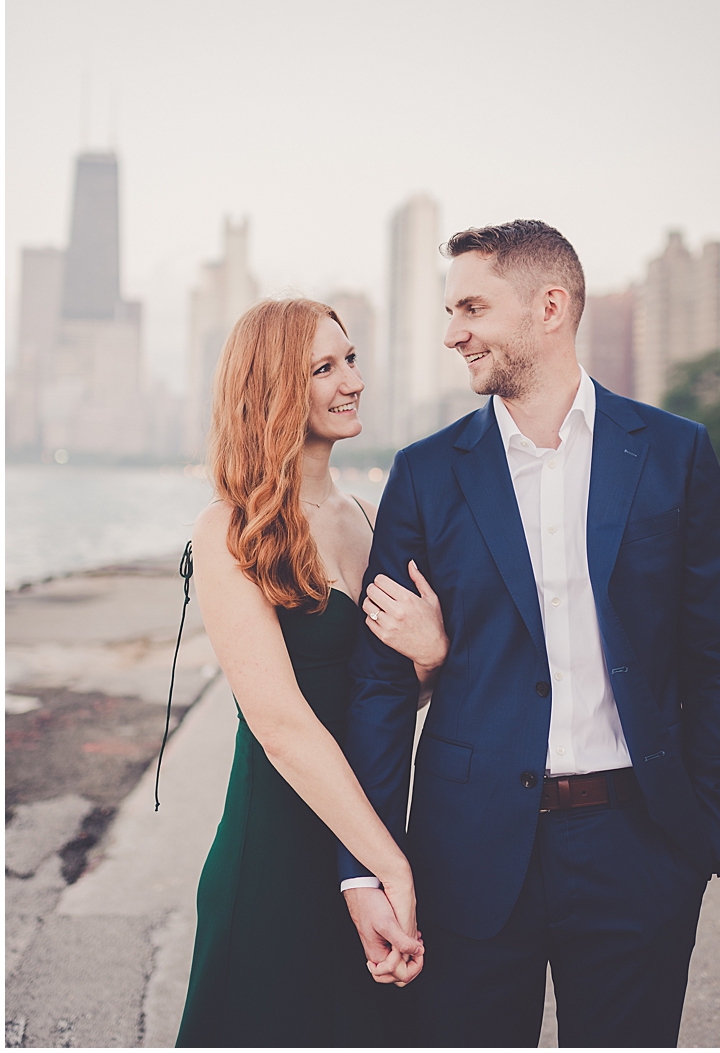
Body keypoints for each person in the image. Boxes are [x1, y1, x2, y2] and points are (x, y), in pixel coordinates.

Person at [338, 219, 720, 1047]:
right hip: (467, 853)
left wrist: (705, 829)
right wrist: (368, 867)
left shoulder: (674, 453)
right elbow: (381, 686)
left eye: (472, 308)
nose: (453, 332)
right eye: (450, 310)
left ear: (550, 306)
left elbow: (717, 655)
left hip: (639, 848)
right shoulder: (425, 471)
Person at [178, 298, 449, 1046]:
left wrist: (430, 657)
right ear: (273, 389)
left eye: (351, 358)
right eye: (323, 368)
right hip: (276, 853)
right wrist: (387, 862)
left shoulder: (370, 515)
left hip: (361, 839)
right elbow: (283, 725)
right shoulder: (229, 528)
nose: (350, 380)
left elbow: (385, 697)